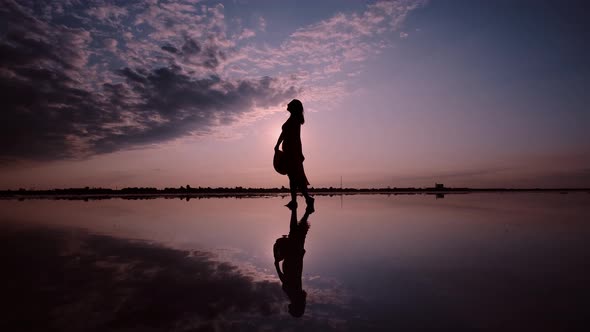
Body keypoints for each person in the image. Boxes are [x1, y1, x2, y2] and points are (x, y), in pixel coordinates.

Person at [274, 99, 314, 210]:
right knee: (295, 177)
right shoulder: (292, 119)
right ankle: (305, 199)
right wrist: (278, 145)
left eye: (290, 104)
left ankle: (298, 201)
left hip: (292, 152)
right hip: (289, 151)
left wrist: (277, 145)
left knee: (294, 177)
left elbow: (293, 137)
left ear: (294, 107)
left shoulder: (294, 120)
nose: (287, 104)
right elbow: (285, 134)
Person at [274, 207, 313, 317]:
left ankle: (305, 210)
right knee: (295, 232)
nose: (289, 309)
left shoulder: (298, 295)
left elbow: (289, 277)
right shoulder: (293, 294)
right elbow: (284, 279)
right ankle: (299, 209)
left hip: (295, 258)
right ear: (295, 308)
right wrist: (276, 265)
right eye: (291, 310)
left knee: (298, 233)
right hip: (292, 259)